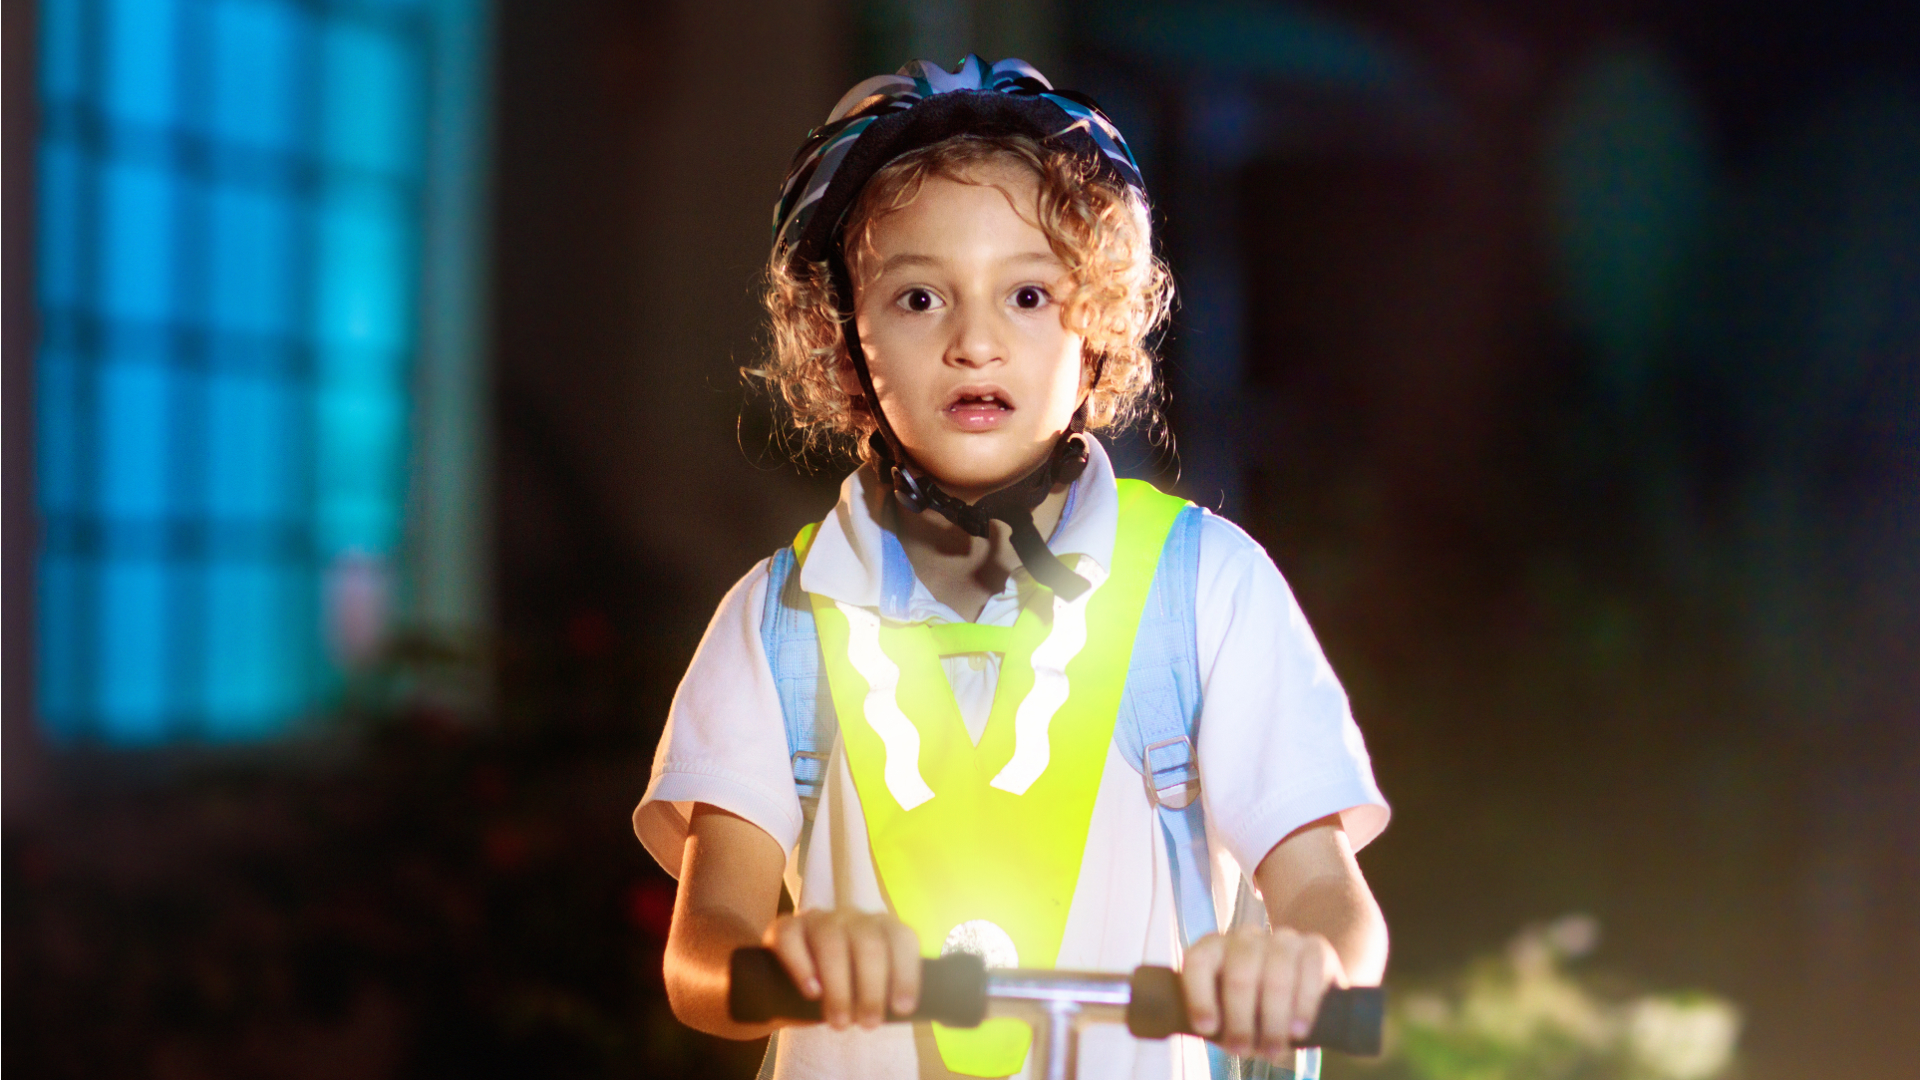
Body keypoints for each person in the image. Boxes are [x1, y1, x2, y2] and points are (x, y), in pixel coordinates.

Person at [632, 56, 1390, 1080]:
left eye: (1029, 293)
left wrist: (1304, 971)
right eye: (916, 299)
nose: (975, 341)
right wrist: (785, 959)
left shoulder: (1203, 588)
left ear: (1098, 329)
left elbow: (1329, 899)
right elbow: (701, 951)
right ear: (846, 337)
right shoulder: (782, 619)